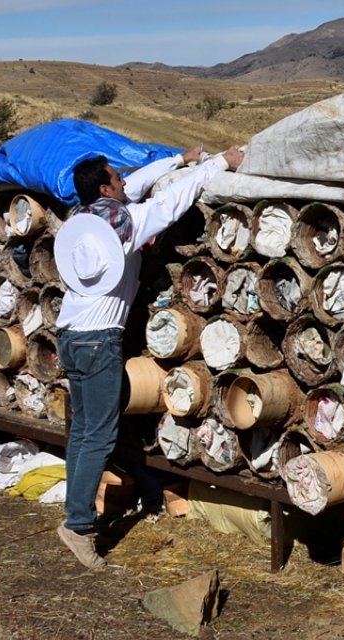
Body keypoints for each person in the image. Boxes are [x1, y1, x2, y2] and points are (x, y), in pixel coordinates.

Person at [54, 144, 244, 570]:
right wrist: (218, 163)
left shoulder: (83, 219)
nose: (125, 182)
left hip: (70, 334)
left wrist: (179, 159)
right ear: (105, 186)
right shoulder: (126, 225)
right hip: (100, 340)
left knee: (83, 431)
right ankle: (79, 526)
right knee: (99, 436)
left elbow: (134, 185)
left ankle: (76, 515)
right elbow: (167, 202)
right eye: (117, 178)